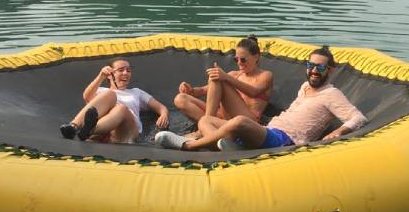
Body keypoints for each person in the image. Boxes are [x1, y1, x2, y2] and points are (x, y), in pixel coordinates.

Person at [155, 46, 367, 151]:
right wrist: (192, 90)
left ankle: (190, 146)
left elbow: (358, 118)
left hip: (285, 140)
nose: (313, 71)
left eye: (319, 67)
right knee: (205, 120)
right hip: (268, 130)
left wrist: (338, 132)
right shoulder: (305, 87)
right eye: (311, 66)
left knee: (239, 121)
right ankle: (230, 147)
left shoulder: (332, 94)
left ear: (329, 70)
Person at [173, 35, 273, 131]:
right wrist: (190, 90)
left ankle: (206, 125)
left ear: (256, 57)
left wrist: (226, 77)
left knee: (219, 78)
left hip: (247, 122)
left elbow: (254, 92)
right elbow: (203, 90)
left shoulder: (265, 75)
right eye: (236, 59)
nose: (239, 63)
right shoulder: (234, 75)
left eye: (243, 60)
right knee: (180, 99)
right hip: (222, 118)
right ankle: (210, 125)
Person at [60, 58, 169, 143]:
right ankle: (73, 127)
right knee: (110, 94)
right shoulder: (102, 91)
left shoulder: (136, 92)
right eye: (121, 70)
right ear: (110, 75)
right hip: (103, 131)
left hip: (127, 132)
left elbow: (161, 107)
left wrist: (164, 114)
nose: (125, 73)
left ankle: (90, 130)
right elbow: (87, 97)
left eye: (128, 70)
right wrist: (101, 76)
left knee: (121, 108)